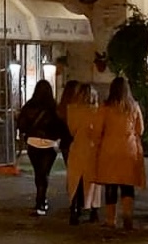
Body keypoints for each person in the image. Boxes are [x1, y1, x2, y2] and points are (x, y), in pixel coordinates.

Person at [93, 76, 146, 230]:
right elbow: (140, 129)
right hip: (129, 149)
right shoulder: (134, 107)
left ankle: (111, 219)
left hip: (109, 149)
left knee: (111, 184)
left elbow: (97, 129)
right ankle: (128, 214)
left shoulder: (105, 107)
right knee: (127, 184)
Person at [17, 80, 66, 214]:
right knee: (44, 173)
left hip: (33, 142)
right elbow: (60, 126)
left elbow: (21, 124)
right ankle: (41, 201)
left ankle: (40, 200)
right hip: (49, 145)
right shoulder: (53, 108)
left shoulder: (29, 106)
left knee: (38, 172)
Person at [62, 82, 102, 225]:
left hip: (77, 147)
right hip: (92, 149)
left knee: (75, 181)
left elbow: (72, 130)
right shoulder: (97, 111)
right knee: (94, 182)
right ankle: (94, 211)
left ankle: (74, 210)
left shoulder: (72, 110)